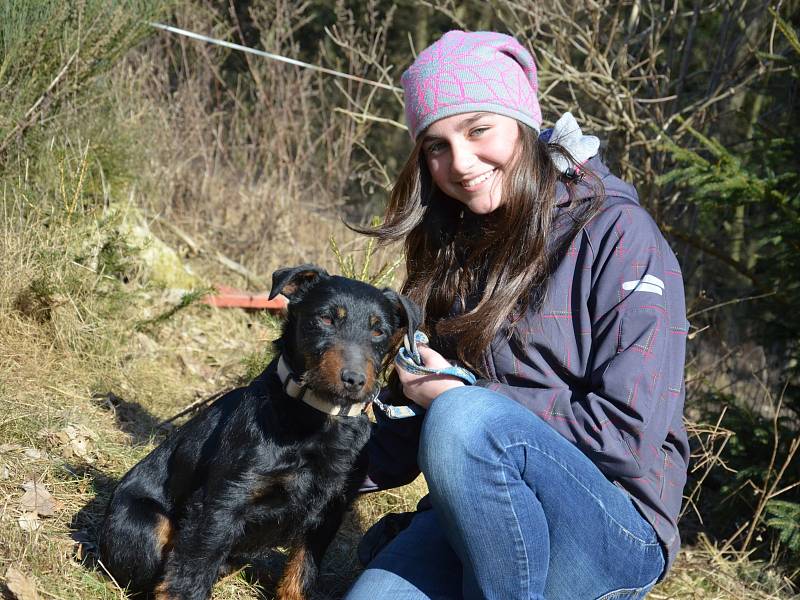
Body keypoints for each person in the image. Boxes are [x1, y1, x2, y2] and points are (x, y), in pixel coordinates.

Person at [346, 30, 690, 600]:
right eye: (436, 145)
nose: (460, 163)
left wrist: (462, 395)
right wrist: (284, 463)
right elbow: (405, 434)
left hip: (611, 526)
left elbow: (629, 437)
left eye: (479, 129)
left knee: (463, 420)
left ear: (524, 124)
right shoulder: (451, 241)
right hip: (478, 516)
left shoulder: (619, 235)